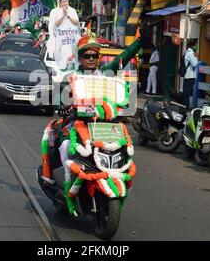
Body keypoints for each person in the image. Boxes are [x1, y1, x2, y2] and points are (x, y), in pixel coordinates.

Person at [40, 31, 141, 215]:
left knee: (123, 146)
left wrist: (140, 42)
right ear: (80, 58)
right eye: (87, 55)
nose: (91, 59)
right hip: (75, 121)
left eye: (95, 55)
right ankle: (67, 180)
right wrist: (61, 105)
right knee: (65, 145)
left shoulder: (104, 74)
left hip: (101, 123)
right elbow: (58, 96)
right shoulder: (71, 77)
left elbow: (123, 58)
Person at [48, 0, 81, 71]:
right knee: (62, 53)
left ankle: (74, 68)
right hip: (62, 38)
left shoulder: (72, 11)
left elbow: (76, 22)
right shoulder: (56, 12)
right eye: (63, 2)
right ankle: (63, 68)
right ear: (60, 3)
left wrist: (68, 16)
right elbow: (56, 25)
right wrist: (63, 15)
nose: (65, 3)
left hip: (72, 37)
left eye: (66, 1)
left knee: (74, 52)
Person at [183, 40, 199, 108]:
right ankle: (186, 107)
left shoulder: (188, 52)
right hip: (190, 76)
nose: (197, 47)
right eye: (196, 45)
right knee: (188, 93)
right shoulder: (190, 53)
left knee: (186, 92)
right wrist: (196, 56)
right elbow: (195, 64)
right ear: (193, 46)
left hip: (188, 76)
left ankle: (185, 107)